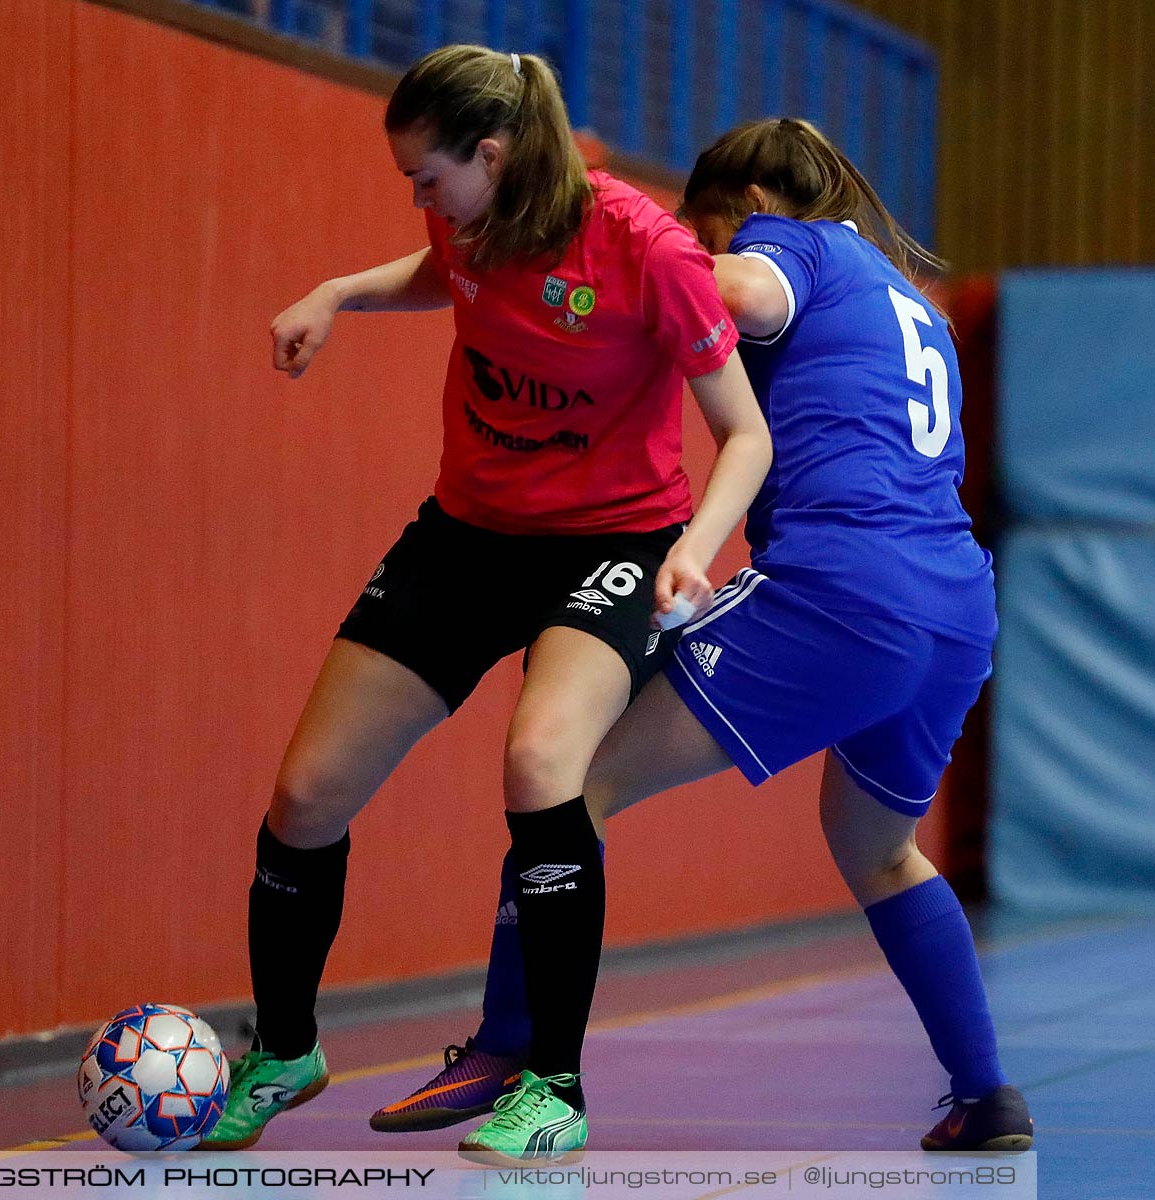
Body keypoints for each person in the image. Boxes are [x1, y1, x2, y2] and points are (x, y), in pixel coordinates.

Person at [380, 117, 1034, 1161]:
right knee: (880, 848)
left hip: (841, 586)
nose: (707, 252)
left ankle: (512, 1052)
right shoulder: (908, 297)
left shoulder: (794, 245)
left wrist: (603, 231)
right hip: (954, 605)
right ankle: (987, 1093)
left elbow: (736, 294)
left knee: (566, 773)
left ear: (755, 210)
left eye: (712, 231)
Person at [199, 46, 772, 1151]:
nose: (419, 200)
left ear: (496, 154)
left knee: (540, 765)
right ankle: (283, 1048)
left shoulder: (647, 251)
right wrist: (336, 292)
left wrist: (698, 547)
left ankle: (552, 1086)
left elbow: (743, 433)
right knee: (308, 794)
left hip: (615, 543)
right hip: (467, 535)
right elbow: (442, 273)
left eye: (427, 177)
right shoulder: (466, 218)